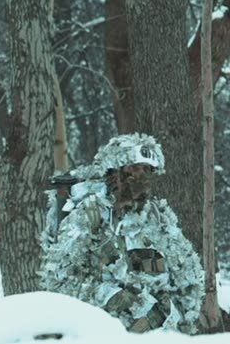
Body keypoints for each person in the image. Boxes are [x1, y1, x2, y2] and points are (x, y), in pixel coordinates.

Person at [41, 134, 203, 333]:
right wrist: (115, 298)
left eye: (147, 170)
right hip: (104, 333)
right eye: (134, 168)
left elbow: (188, 275)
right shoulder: (90, 213)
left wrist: (183, 319)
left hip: (160, 336)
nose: (141, 176)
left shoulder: (156, 217)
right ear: (114, 172)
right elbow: (59, 278)